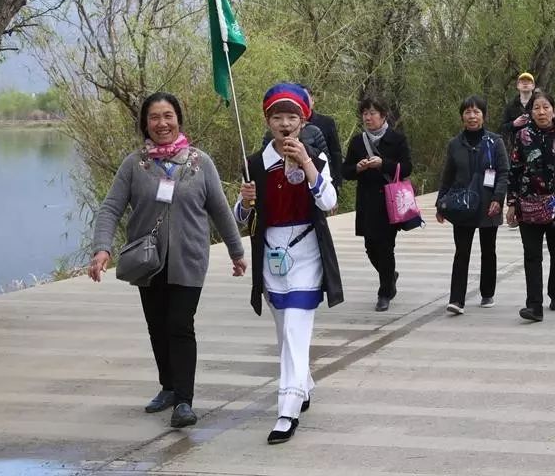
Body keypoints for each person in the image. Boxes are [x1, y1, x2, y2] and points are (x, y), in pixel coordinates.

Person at [89, 92, 246, 429]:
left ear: (179, 119)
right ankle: (168, 387)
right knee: (157, 326)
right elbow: (111, 207)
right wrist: (102, 248)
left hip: (189, 259)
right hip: (148, 262)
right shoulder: (134, 164)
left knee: (179, 324)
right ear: (145, 123)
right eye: (154, 117)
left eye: (168, 116)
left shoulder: (200, 163)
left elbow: (219, 209)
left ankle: (185, 402)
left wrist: (236, 252)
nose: (162, 123)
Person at [235, 83, 342, 444]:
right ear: (268, 121)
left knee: (296, 328)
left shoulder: (316, 157)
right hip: (272, 256)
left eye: (291, 116)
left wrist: (307, 164)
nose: (284, 123)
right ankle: (304, 382)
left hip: (307, 252)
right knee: (285, 333)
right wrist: (245, 204)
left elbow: (328, 202)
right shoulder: (254, 163)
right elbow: (243, 220)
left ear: (303, 121)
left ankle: (287, 408)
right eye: (277, 116)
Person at [506, 91, 555, 322]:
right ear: (530, 112)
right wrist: (511, 202)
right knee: (531, 256)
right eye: (536, 108)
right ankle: (534, 306)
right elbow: (515, 170)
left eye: (546, 107)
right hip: (528, 205)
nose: (541, 112)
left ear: (554, 110)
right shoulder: (523, 136)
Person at [435, 96, 508, 314]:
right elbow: (447, 176)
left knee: (489, 250)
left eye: (476, 112)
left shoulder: (495, 142)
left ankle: (487, 293)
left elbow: (503, 173)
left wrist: (498, 199)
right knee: (462, 251)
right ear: (462, 116)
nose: (472, 116)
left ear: (484, 116)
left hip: (488, 204)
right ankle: (456, 300)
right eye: (467, 112)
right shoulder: (454, 144)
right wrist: (441, 202)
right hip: (462, 205)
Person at [341, 97, 413, 312]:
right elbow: (345, 172)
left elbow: (407, 167)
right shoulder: (357, 142)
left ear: (383, 116)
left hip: (389, 202)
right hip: (366, 202)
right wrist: (358, 168)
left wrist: (385, 164)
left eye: (372, 113)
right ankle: (390, 275)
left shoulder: (397, 139)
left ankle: (384, 292)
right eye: (365, 113)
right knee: (370, 247)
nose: (368, 117)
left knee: (386, 247)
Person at [500, 72, 536, 152]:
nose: (525, 83)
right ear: (517, 86)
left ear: (533, 86)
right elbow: (503, 128)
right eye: (522, 81)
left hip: (537, 146)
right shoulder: (510, 106)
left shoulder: (539, 103)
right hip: (517, 149)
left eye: (528, 81)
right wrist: (514, 124)